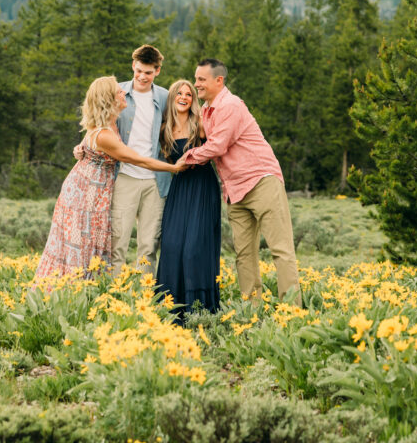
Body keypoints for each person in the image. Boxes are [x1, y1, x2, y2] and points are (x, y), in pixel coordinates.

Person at [175, 58, 301, 302]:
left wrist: (184, 159)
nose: (196, 84)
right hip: (234, 191)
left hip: (261, 182)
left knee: (281, 250)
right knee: (244, 255)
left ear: (218, 80)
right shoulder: (206, 111)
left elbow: (218, 146)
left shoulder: (231, 105)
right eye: (196, 78)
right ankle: (251, 313)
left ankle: (292, 313)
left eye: (201, 79)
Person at [35, 76, 176, 279]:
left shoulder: (111, 123)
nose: (123, 93)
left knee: (94, 244)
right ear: (108, 100)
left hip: (97, 189)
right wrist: (175, 168)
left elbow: (85, 145)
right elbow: (137, 159)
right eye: (119, 92)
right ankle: (72, 293)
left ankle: (89, 291)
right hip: (86, 192)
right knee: (81, 245)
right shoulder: (104, 134)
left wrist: (80, 148)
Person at [155, 80, 221, 319]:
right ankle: (170, 309)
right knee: (172, 246)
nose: (184, 97)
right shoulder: (163, 128)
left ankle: (199, 310)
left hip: (203, 187)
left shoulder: (200, 124)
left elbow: (219, 146)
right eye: (179, 94)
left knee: (194, 247)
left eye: (189, 94)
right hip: (179, 188)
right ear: (172, 98)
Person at [112, 44, 170, 275]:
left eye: (148, 72)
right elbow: (99, 121)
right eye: (138, 71)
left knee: (148, 244)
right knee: (118, 239)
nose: (142, 77)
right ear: (132, 66)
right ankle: (112, 292)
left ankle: (143, 296)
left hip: (156, 181)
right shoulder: (117, 92)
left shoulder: (166, 97)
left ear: (157, 71)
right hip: (124, 175)